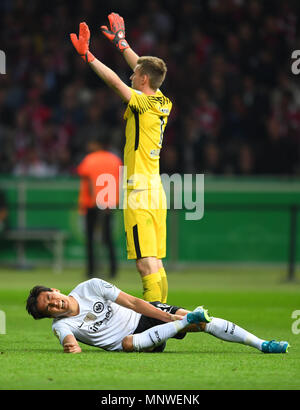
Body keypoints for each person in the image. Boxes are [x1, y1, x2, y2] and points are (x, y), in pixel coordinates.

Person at [70, 13, 171, 303]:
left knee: (144, 264)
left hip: (139, 192)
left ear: (143, 80)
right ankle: (163, 317)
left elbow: (116, 83)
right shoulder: (162, 101)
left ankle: (153, 323)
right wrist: (122, 43)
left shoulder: (141, 102)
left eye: (135, 74)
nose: (131, 75)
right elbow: (145, 70)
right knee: (156, 262)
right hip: (156, 191)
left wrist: (88, 56)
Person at [26, 278, 289, 355]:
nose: (54, 304)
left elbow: (133, 302)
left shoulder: (90, 286)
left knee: (202, 322)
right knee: (127, 343)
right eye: (48, 308)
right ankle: (183, 322)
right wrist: (70, 347)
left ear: (55, 290)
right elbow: (68, 341)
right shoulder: (62, 325)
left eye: (50, 297)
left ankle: (262, 344)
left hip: (147, 316)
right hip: (133, 341)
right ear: (49, 316)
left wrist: (168, 318)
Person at [77, 138, 122, 278]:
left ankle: (91, 270)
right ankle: (113, 270)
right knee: (107, 238)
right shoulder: (115, 160)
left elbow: (90, 180)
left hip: (92, 204)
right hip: (108, 204)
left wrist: (96, 199)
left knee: (90, 238)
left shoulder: (90, 159)